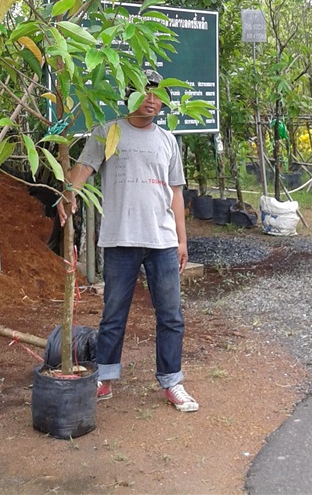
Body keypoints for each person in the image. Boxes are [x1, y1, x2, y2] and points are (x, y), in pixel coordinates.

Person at [58, 68, 198, 412]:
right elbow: (84, 170)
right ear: (129, 96)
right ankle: (104, 378)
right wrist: (68, 193)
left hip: (162, 242)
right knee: (113, 313)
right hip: (120, 239)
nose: (152, 100)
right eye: (144, 92)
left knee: (170, 315)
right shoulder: (109, 133)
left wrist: (182, 241)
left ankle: (172, 380)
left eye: (157, 93)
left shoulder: (168, 141)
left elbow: (176, 193)